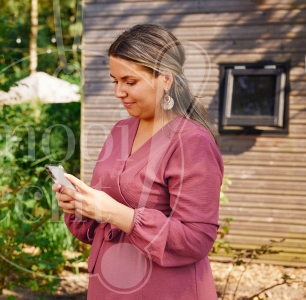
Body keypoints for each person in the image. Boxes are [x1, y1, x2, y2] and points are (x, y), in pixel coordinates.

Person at [52, 23, 223, 299]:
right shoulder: (121, 131)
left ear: (165, 79)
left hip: (163, 289)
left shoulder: (191, 141)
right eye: (115, 81)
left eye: (130, 82)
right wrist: (80, 205)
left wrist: (115, 213)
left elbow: (196, 239)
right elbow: (95, 226)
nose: (119, 92)